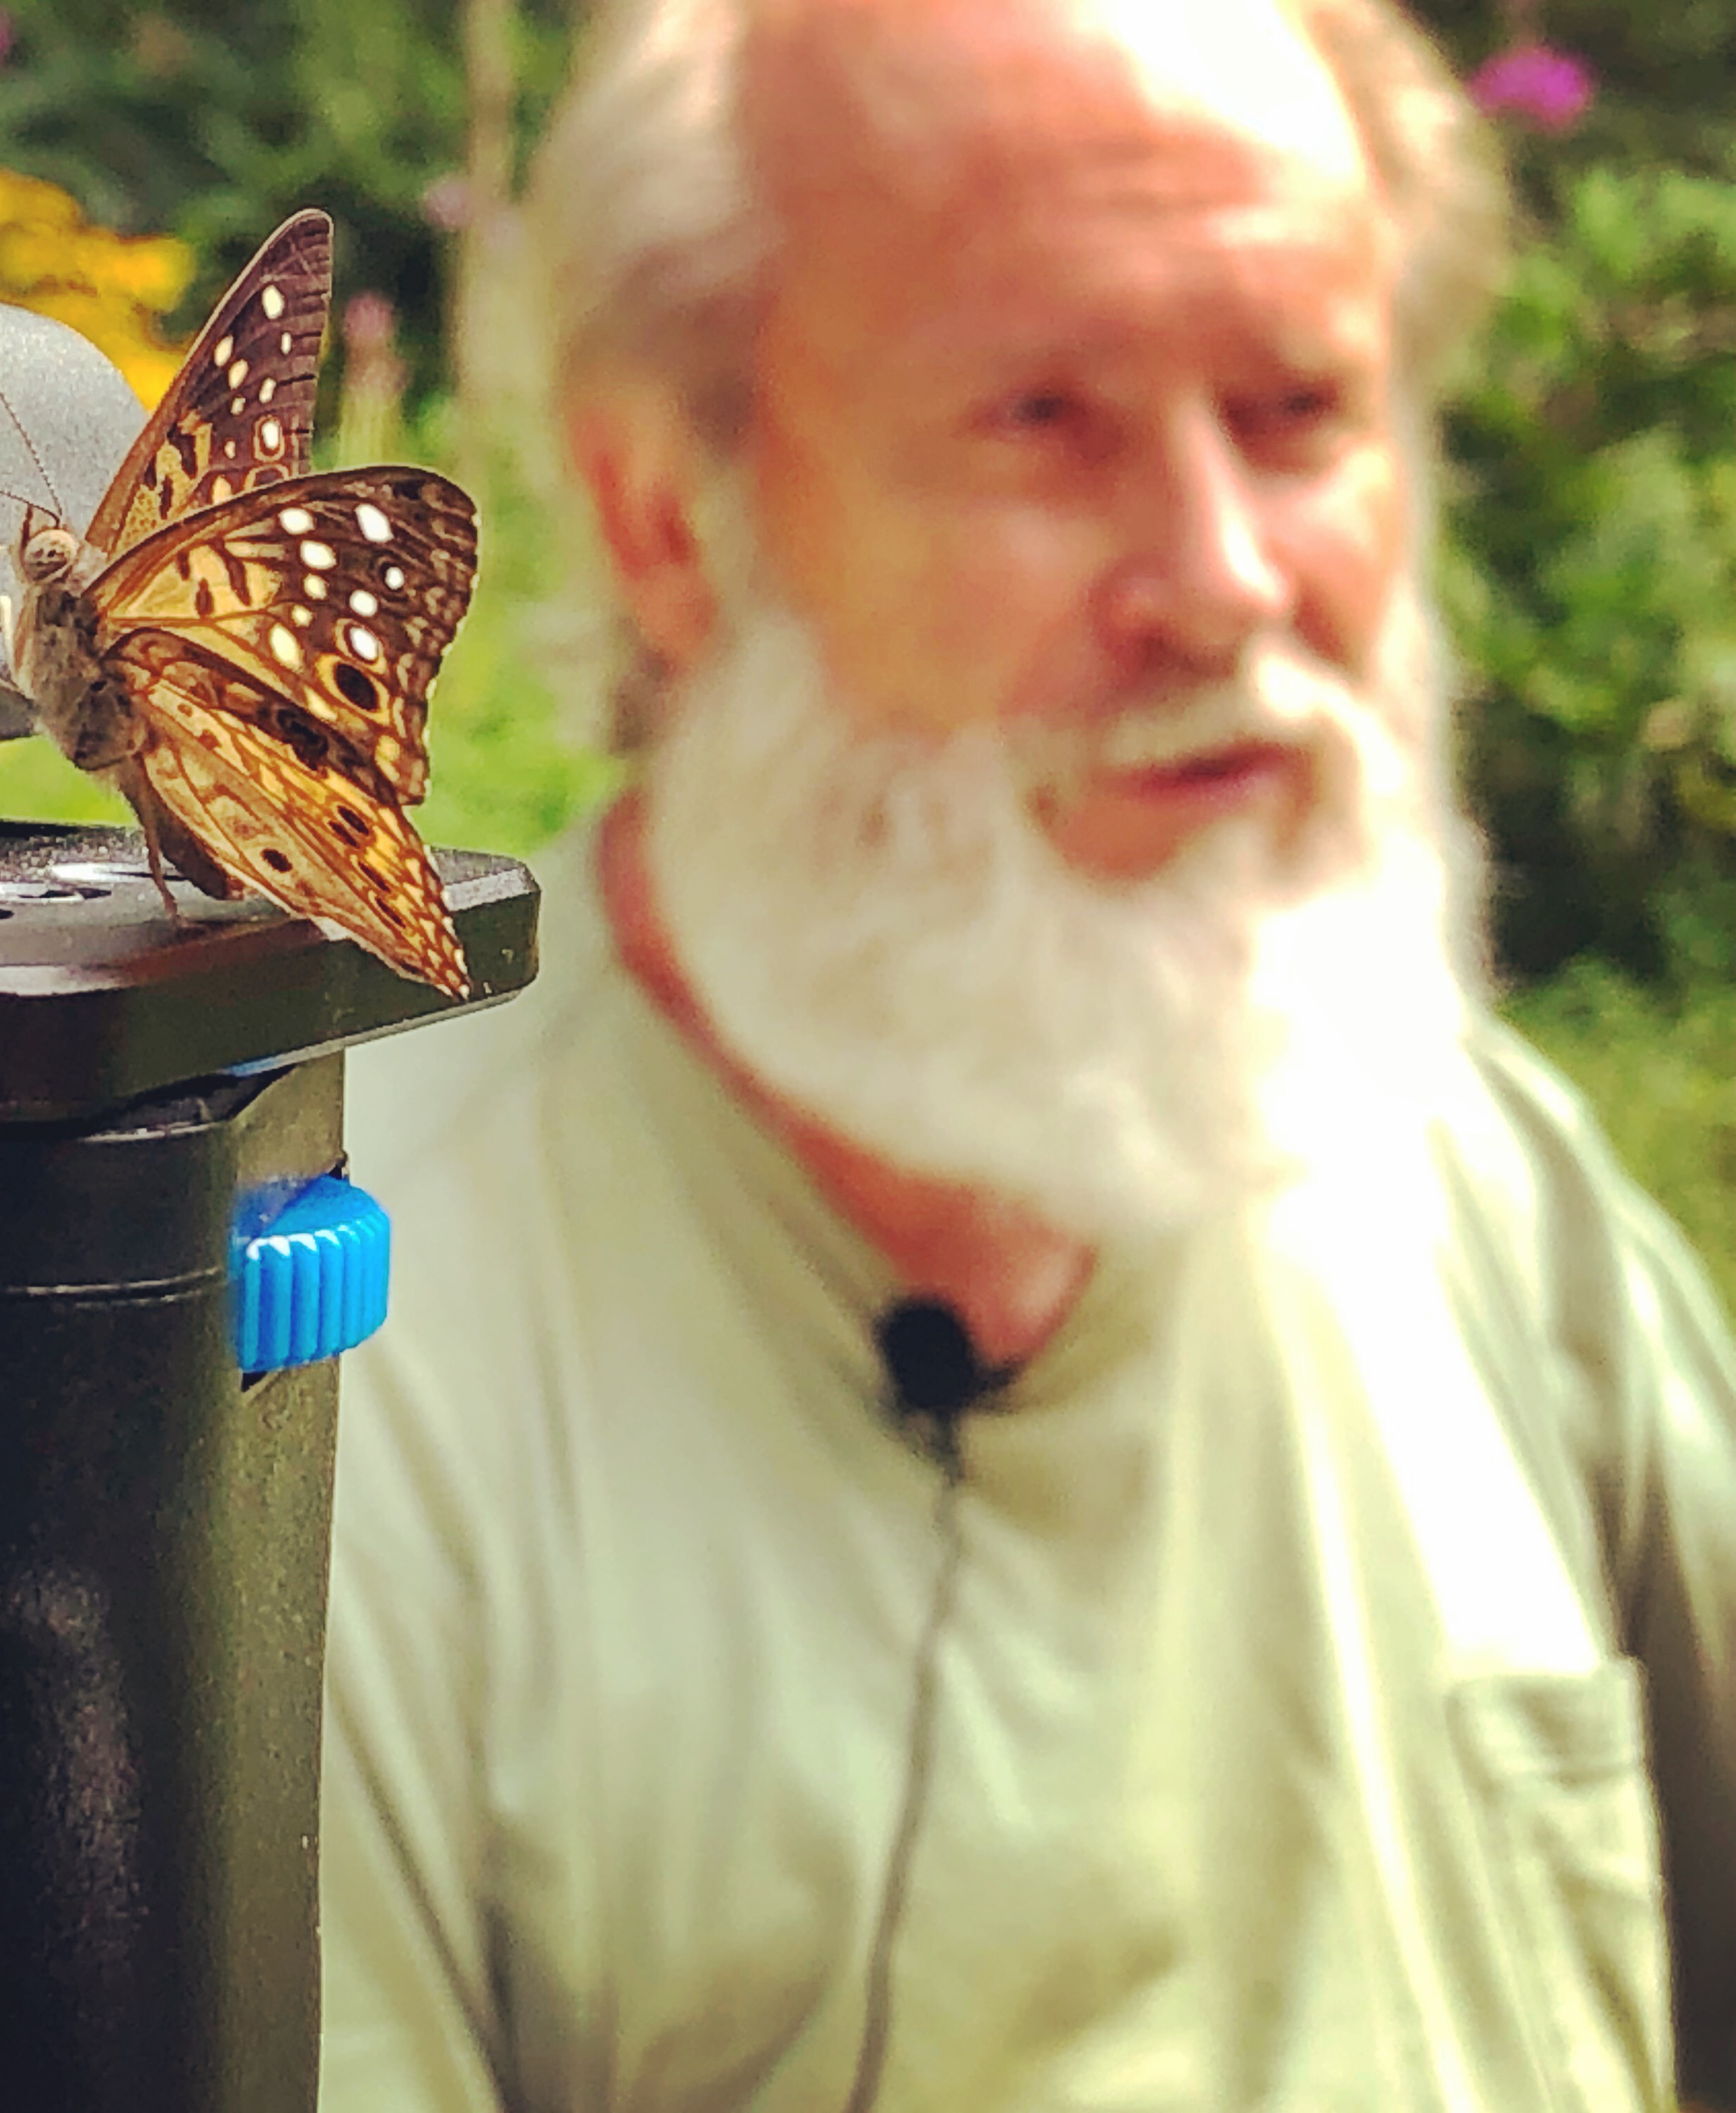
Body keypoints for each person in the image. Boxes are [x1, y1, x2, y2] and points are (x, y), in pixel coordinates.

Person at [320, 0, 1736, 2107]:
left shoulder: (1465, 1169)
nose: (1225, 582)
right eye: (1044, 417)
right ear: (664, 522)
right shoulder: (338, 1400)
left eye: (1298, 411)